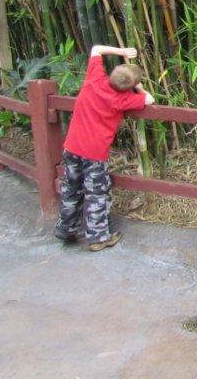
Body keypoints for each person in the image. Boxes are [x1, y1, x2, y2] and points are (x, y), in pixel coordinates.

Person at [54, 45, 155, 251]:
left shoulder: (94, 79)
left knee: (71, 186)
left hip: (72, 146)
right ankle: (98, 238)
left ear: (111, 74)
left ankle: (66, 228)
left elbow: (96, 50)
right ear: (129, 87)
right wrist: (140, 87)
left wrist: (122, 52)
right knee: (97, 193)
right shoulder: (122, 99)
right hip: (94, 154)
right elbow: (149, 99)